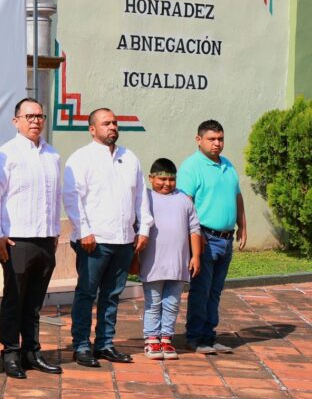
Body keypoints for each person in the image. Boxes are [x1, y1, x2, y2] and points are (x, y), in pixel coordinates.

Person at [63, 107, 153, 367]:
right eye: (106, 123)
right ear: (92, 129)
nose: (112, 127)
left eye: (114, 123)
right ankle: (81, 345)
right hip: (94, 241)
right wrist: (83, 231)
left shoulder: (130, 157)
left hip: (124, 240)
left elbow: (140, 196)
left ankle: (105, 343)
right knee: (86, 294)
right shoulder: (81, 158)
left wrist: (143, 228)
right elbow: (72, 197)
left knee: (112, 295)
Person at [0, 98, 63, 379]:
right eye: (29, 116)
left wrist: (55, 231)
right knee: (14, 299)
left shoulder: (52, 155)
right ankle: (10, 352)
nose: (35, 121)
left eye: (39, 116)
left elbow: (55, 197)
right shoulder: (6, 154)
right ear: (16, 121)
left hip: (45, 239)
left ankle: (32, 351)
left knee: (35, 302)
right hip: (17, 239)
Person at [178, 119, 245, 354]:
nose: (217, 143)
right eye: (212, 139)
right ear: (199, 140)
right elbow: (185, 204)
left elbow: (237, 197)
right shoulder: (191, 167)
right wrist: (195, 236)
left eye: (220, 139)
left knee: (215, 291)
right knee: (201, 290)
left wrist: (243, 226)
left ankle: (209, 335)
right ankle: (196, 338)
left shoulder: (228, 165)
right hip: (204, 237)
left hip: (226, 239)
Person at [140, 158, 201, 360]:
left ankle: (166, 338)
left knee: (172, 303)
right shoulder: (145, 198)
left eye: (171, 179)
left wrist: (196, 256)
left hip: (178, 264)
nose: (167, 184)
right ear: (151, 178)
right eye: (162, 179)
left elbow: (194, 229)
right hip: (152, 263)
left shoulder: (184, 200)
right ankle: (151, 339)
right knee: (153, 302)